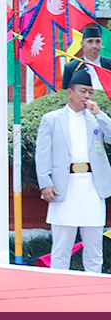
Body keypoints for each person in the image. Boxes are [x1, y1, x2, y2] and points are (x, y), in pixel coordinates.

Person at [37, 66, 111, 272]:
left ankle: (93, 292)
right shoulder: (52, 119)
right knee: (61, 247)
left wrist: (100, 115)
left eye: (90, 91)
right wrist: (45, 183)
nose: (87, 96)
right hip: (64, 186)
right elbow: (42, 154)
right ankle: (58, 290)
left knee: (94, 248)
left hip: (93, 187)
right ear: (70, 92)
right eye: (82, 91)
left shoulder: (95, 117)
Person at [62, 24, 111, 91]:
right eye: (90, 41)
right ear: (82, 44)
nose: (94, 46)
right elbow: (65, 92)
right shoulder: (72, 67)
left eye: (97, 42)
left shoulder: (109, 64)